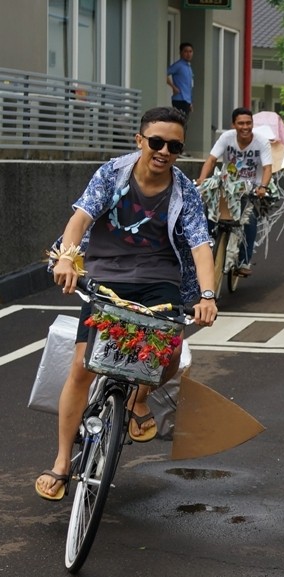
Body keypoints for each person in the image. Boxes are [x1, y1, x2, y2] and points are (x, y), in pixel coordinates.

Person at [35, 106, 218, 501]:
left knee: (168, 355)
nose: (164, 151)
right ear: (140, 141)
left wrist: (207, 295)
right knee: (83, 366)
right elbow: (81, 218)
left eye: (174, 146)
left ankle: (138, 398)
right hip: (106, 274)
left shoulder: (184, 191)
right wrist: (66, 258)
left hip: (159, 280)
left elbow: (201, 245)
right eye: (157, 142)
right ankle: (62, 462)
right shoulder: (112, 174)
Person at [196, 107, 273, 277]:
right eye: (241, 123)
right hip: (228, 185)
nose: (245, 127)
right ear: (234, 125)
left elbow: (268, 168)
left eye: (248, 123)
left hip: (251, 188)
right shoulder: (226, 138)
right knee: (208, 210)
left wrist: (263, 187)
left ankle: (244, 261)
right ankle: (204, 245)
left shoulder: (261, 142)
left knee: (249, 220)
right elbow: (211, 160)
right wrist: (202, 179)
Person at [166, 42, 194, 121]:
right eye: (186, 51)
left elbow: (189, 86)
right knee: (180, 122)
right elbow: (164, 73)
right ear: (181, 52)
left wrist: (190, 102)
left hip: (187, 101)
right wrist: (173, 87)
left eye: (190, 51)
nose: (188, 54)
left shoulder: (188, 67)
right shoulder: (178, 65)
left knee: (184, 123)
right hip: (179, 99)